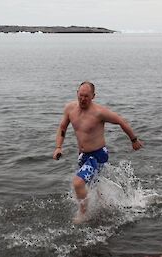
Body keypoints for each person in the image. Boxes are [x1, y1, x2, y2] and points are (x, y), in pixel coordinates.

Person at [53, 81, 143, 223]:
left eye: (86, 96)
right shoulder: (70, 109)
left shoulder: (99, 112)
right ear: (77, 93)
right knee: (91, 184)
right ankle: (107, 205)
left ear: (93, 96)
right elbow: (62, 127)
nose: (83, 99)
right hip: (83, 156)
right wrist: (58, 147)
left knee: (78, 183)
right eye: (80, 95)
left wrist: (134, 140)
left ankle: (83, 214)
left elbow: (121, 121)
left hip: (97, 155)